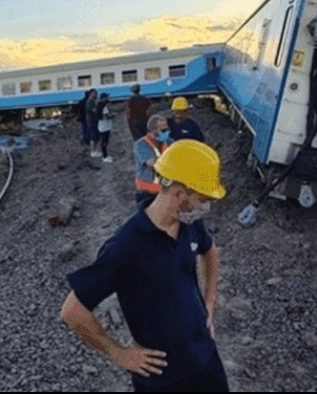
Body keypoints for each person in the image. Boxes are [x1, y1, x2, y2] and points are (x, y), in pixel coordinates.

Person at [60, 140, 230, 392]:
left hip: (206, 361)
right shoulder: (125, 247)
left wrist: (210, 301)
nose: (206, 207)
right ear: (178, 193)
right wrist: (119, 353)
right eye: (202, 199)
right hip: (163, 380)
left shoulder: (190, 223)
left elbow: (210, 251)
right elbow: (72, 311)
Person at [134, 114, 174, 205]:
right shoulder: (141, 144)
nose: (166, 132)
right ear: (151, 131)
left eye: (167, 129)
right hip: (146, 194)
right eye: (163, 130)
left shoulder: (169, 142)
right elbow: (153, 164)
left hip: (164, 192)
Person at [96, 92, 114, 163]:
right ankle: (105, 156)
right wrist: (113, 115)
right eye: (107, 97)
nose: (108, 98)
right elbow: (107, 117)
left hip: (102, 126)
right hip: (104, 127)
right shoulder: (104, 107)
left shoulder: (99, 106)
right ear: (103, 98)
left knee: (105, 142)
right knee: (104, 142)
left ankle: (106, 155)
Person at [85, 88, 101, 158]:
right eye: (95, 93)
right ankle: (92, 151)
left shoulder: (93, 101)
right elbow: (95, 110)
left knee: (96, 136)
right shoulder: (89, 102)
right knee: (93, 137)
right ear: (91, 94)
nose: (96, 94)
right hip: (92, 121)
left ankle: (95, 150)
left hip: (95, 121)